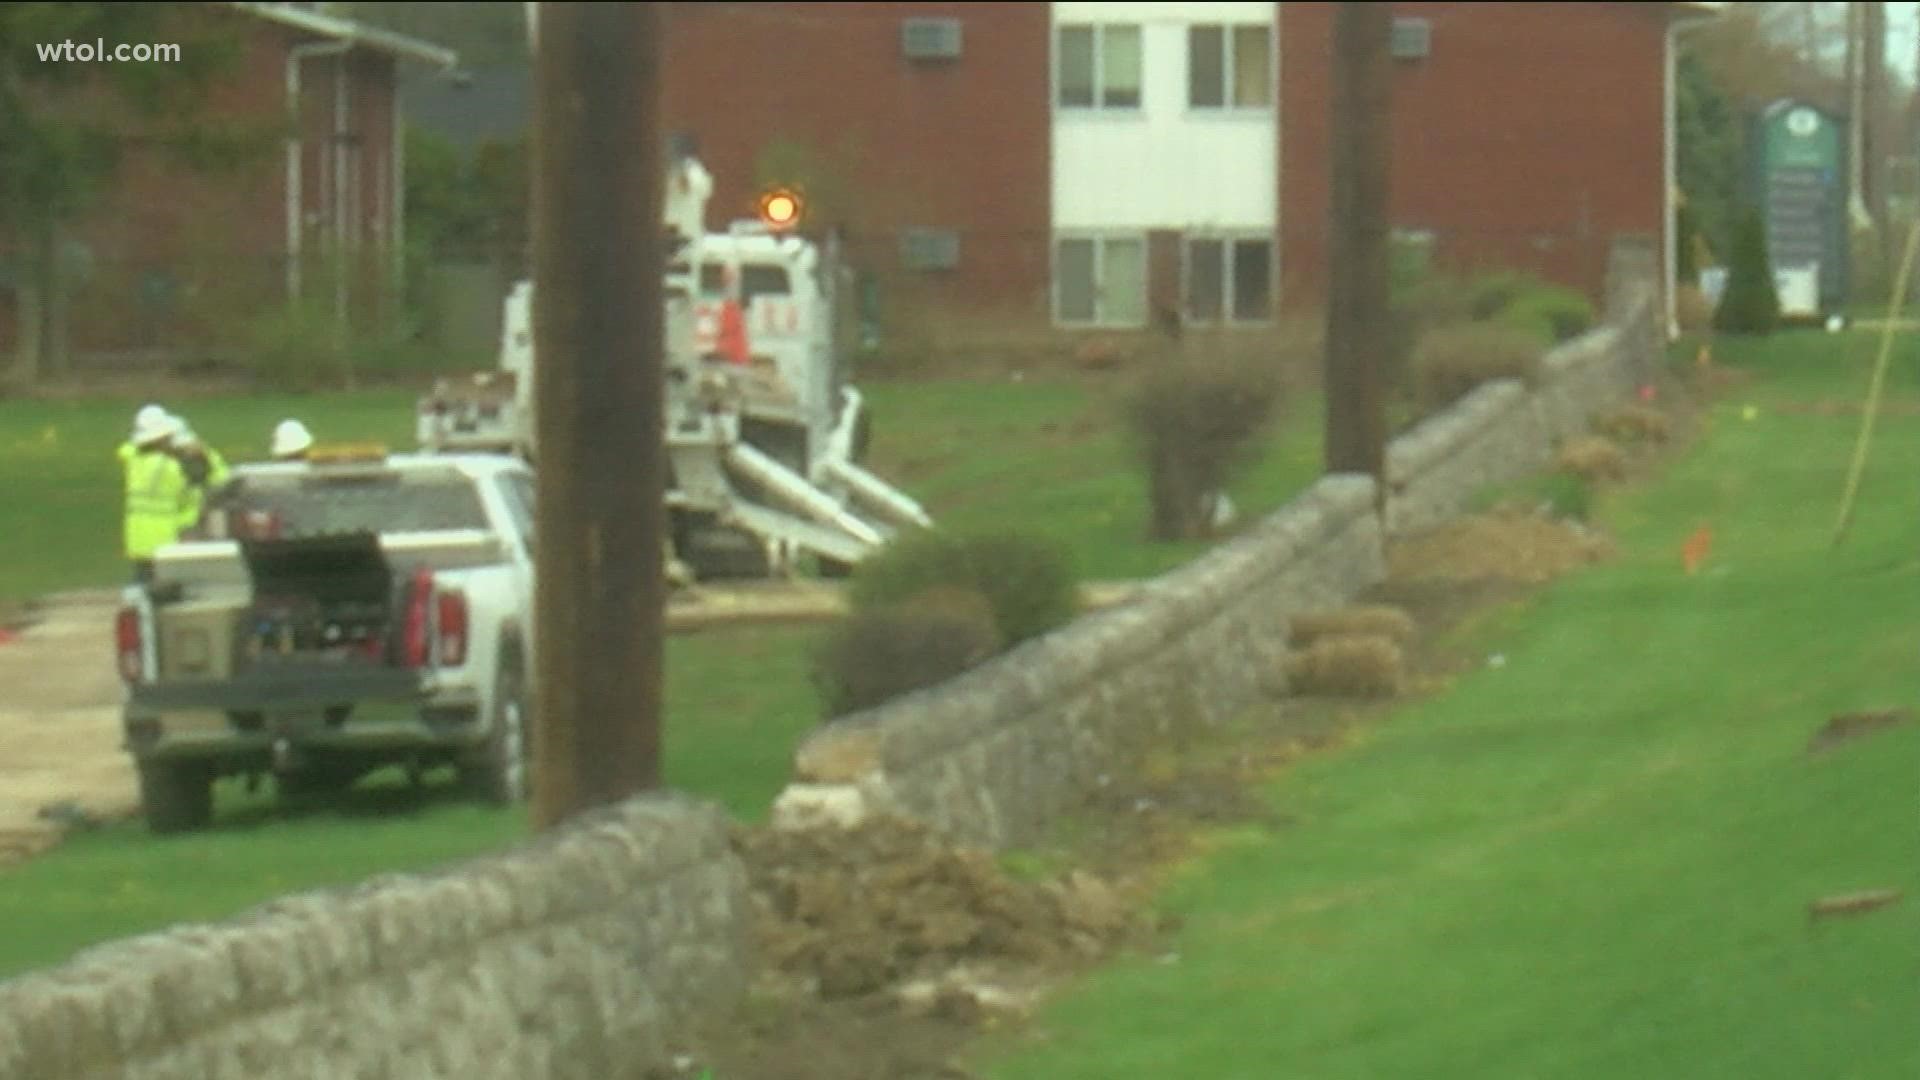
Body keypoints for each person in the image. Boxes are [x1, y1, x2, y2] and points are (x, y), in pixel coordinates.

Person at [119, 405, 191, 586]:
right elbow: (185, 494)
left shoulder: (133, 460)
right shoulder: (170, 467)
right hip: (163, 538)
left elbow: (128, 448)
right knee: (163, 587)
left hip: (136, 537)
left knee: (139, 581)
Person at [169, 421, 231, 537]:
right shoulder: (167, 463)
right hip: (180, 522)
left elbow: (223, 481)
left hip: (194, 521)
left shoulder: (206, 457)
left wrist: (205, 459)